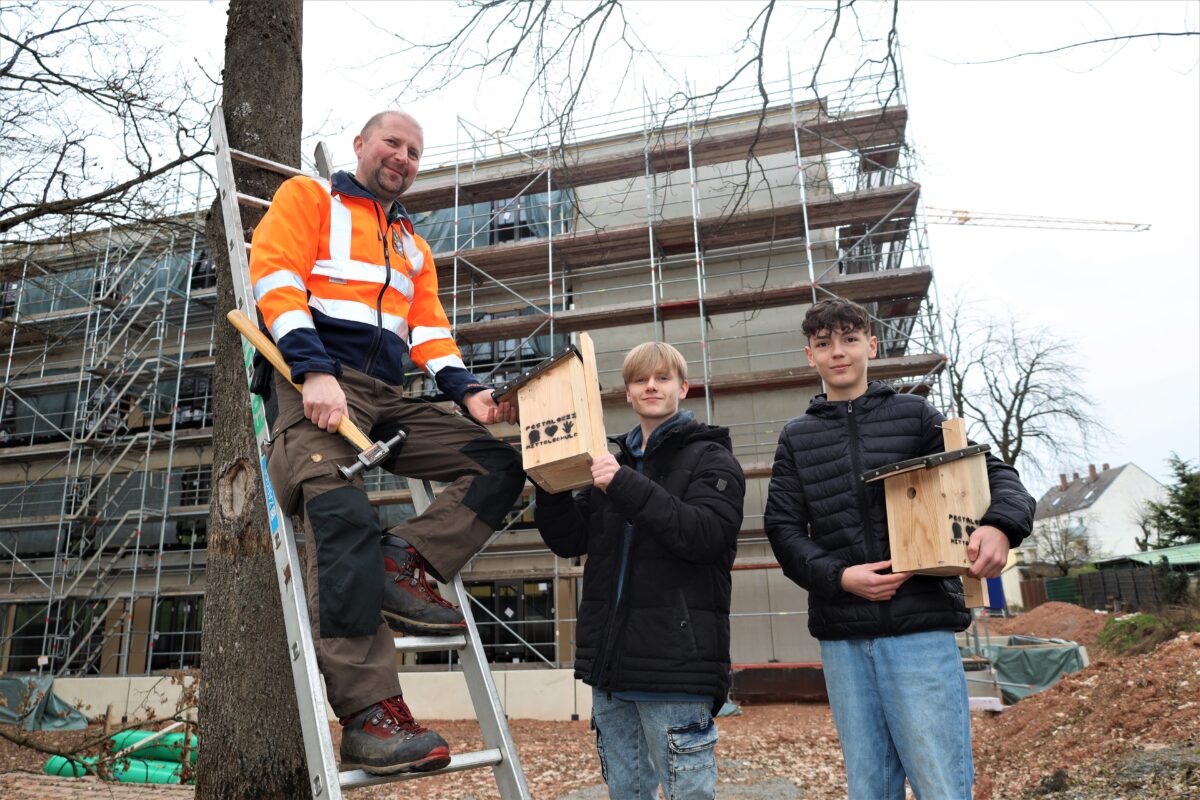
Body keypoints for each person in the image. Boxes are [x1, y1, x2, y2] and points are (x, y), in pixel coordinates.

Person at [249, 110, 526, 775]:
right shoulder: (310, 197)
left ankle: (402, 560)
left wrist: (469, 392)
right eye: (392, 143)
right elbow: (276, 278)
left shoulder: (412, 247)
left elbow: (428, 332)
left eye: (415, 151)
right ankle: (371, 717)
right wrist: (312, 370)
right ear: (361, 145)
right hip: (311, 381)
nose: (403, 156)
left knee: (498, 464)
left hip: (385, 397)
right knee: (341, 520)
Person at [765, 298, 1036, 799]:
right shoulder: (797, 437)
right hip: (844, 636)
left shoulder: (915, 416)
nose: (837, 352)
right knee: (869, 784)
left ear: (871, 345)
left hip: (921, 628)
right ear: (810, 355)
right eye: (824, 344)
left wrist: (1001, 525)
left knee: (941, 782)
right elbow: (782, 529)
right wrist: (839, 577)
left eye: (849, 339)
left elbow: (992, 473)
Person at [533, 341, 745, 799]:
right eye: (639, 380)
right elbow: (570, 540)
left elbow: (705, 536)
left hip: (676, 668)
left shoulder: (712, 458)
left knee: (688, 794)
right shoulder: (613, 463)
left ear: (683, 388)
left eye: (662, 378)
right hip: (611, 669)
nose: (651, 386)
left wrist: (623, 484)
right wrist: (549, 486)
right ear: (627, 393)